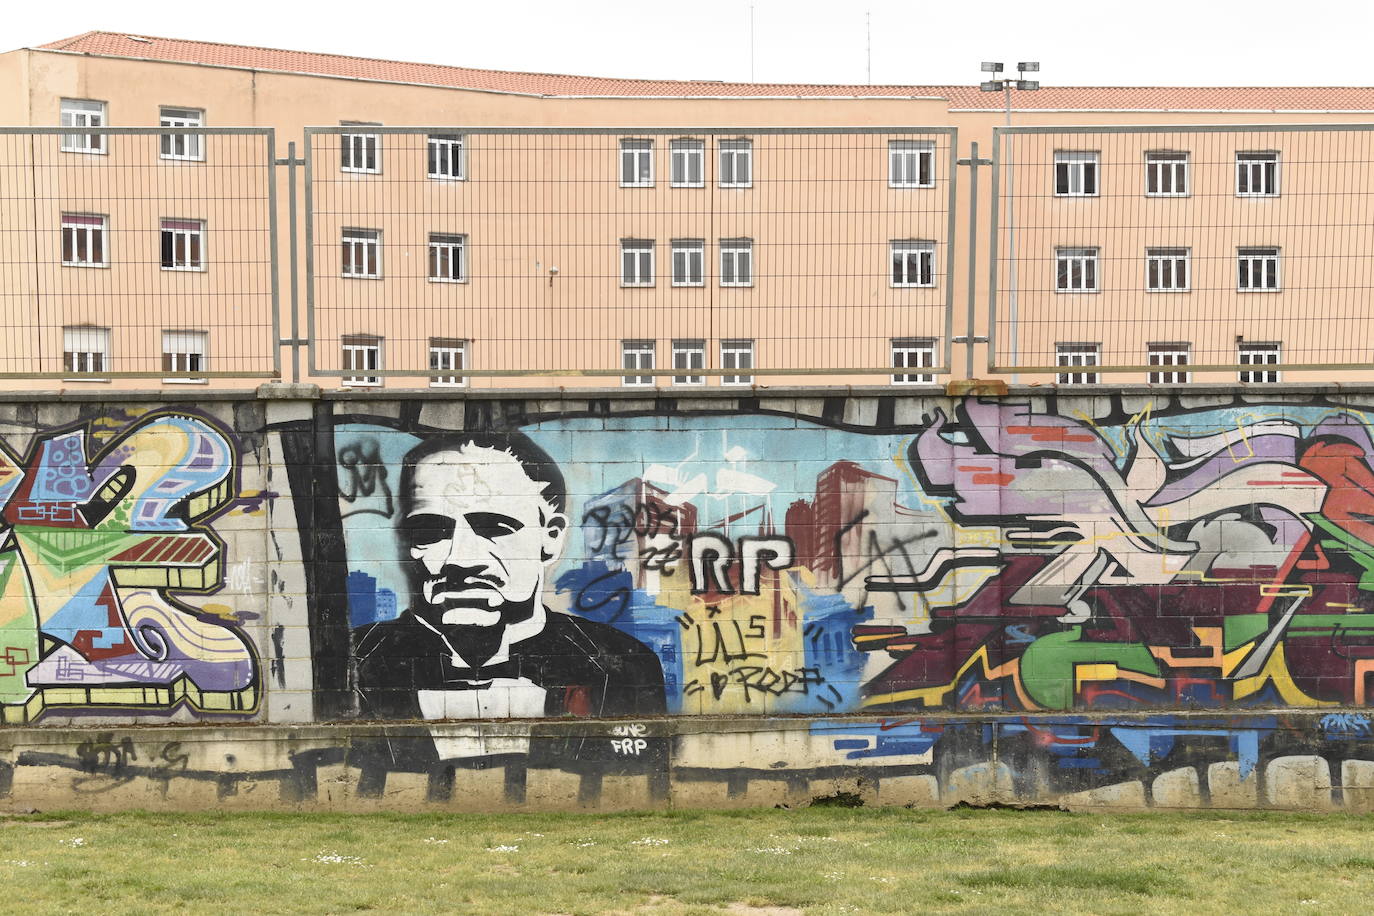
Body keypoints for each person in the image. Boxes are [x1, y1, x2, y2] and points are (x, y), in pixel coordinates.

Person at [350, 431, 666, 723]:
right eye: (431, 530)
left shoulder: (623, 665)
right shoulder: (353, 661)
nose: (461, 559)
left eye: (494, 528)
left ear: (550, 538)